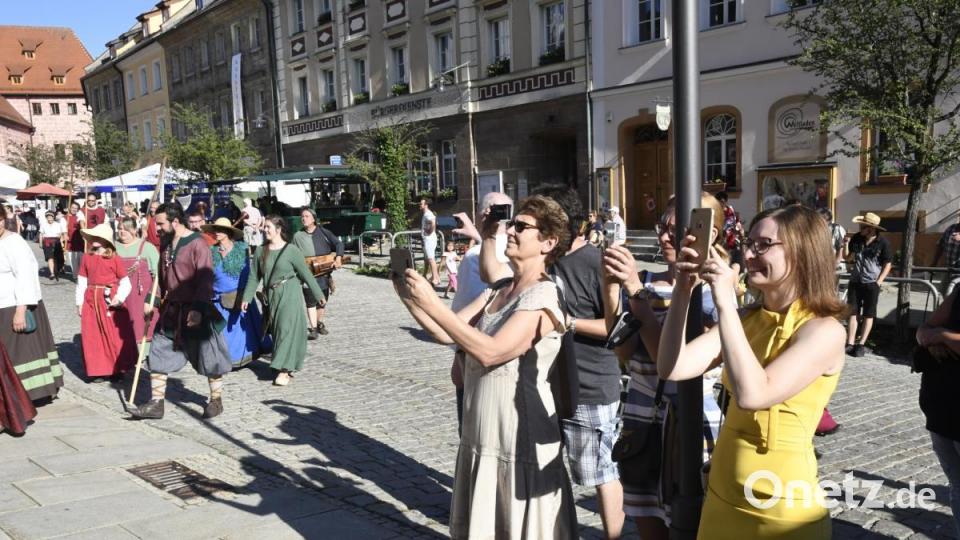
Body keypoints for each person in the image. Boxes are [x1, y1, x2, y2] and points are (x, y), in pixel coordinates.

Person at [658, 204, 846, 538]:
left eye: (763, 245)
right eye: (748, 244)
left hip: (781, 510)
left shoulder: (824, 330)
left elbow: (753, 394)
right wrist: (683, 290)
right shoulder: (747, 320)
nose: (747, 254)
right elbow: (673, 367)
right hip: (723, 495)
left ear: (802, 251)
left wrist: (726, 303)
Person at [394, 195, 577, 538]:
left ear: (548, 243)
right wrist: (409, 296)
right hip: (483, 435)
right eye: (513, 224)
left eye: (521, 227)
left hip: (517, 440)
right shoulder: (500, 289)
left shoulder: (544, 296)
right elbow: (445, 332)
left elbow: (492, 352)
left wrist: (433, 301)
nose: (511, 231)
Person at [481, 186, 625, 538]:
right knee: (547, 472)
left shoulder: (594, 262)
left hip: (590, 385)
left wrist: (565, 320)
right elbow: (492, 275)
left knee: (598, 474)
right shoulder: (546, 259)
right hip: (545, 385)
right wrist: (488, 236)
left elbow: (615, 325)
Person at [602, 194, 726, 539]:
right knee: (648, 525)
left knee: (690, 525)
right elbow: (625, 353)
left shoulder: (715, 294)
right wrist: (610, 286)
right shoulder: (646, 279)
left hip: (688, 420)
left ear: (707, 233)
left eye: (677, 230)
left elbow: (670, 363)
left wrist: (634, 292)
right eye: (663, 228)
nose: (665, 237)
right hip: (642, 415)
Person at [128, 203, 232, 420]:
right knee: (157, 351)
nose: (157, 228)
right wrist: (151, 300)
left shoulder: (197, 244)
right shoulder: (166, 244)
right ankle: (156, 404)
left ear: (175, 222)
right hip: (172, 311)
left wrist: (197, 310)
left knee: (209, 356)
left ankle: (216, 399)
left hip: (196, 309)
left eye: (161, 223)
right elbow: (161, 277)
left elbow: (205, 279)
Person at [448, 192, 514, 432]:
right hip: (514, 357)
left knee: (472, 435)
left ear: (482, 214)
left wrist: (458, 356)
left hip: (476, 358)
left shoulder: (474, 258)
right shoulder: (524, 252)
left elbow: (460, 321)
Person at [242, 216, 324, 386]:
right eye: (264, 227)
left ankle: (283, 371)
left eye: (268, 227)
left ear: (278, 229)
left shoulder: (291, 251)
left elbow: (306, 274)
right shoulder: (260, 251)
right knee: (278, 331)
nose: (265, 230)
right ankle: (285, 363)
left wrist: (318, 294)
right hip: (271, 295)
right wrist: (246, 298)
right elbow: (253, 277)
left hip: (290, 292)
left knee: (286, 329)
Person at [0, 205, 63, 402]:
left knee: (20, 353)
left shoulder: (13, 242)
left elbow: (26, 276)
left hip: (15, 304)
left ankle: (24, 394)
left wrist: (21, 310)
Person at [916, 288, 960, 537]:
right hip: (943, 410)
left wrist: (941, 336)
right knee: (957, 488)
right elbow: (923, 331)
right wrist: (935, 336)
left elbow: (932, 331)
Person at [75, 223, 135, 380]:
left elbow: (126, 282)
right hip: (91, 301)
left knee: (112, 335)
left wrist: (119, 298)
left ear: (105, 240)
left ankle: (117, 369)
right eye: (93, 236)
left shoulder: (114, 259)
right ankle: (98, 369)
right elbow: (82, 281)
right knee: (93, 336)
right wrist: (79, 303)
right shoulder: (87, 257)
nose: (93, 239)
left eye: (97, 237)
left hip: (109, 301)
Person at [203, 218, 266, 367]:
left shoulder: (242, 248)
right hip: (219, 299)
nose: (216, 233)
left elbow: (248, 272)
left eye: (220, 229)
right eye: (215, 229)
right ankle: (226, 359)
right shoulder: (211, 251)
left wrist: (245, 294)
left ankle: (242, 357)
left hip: (240, 296)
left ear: (228, 232)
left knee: (242, 331)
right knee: (224, 332)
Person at [843, 212, 893, 357]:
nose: (860, 228)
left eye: (863, 226)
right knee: (853, 312)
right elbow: (848, 257)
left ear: (871, 228)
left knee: (868, 314)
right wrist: (845, 245)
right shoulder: (857, 239)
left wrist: (879, 282)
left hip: (872, 283)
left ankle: (861, 344)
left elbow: (887, 263)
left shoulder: (883, 243)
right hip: (855, 281)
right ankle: (850, 342)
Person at [292, 208, 343, 339]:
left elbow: (338, 244)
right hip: (307, 273)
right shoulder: (297, 236)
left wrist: (338, 258)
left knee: (322, 301)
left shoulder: (324, 232)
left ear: (313, 219)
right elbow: (292, 253)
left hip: (324, 273)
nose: (304, 219)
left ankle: (319, 323)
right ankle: (313, 328)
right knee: (310, 301)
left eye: (307, 216)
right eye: (302, 216)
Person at [115, 217, 159, 360]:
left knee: (142, 324)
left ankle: (144, 354)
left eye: (126, 229)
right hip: (120, 295)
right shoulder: (113, 248)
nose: (122, 232)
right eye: (120, 229)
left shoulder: (147, 247)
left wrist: (153, 298)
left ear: (134, 230)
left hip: (141, 296)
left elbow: (158, 276)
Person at [932, 213, 960, 297]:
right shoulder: (951, 228)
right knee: (945, 293)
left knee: (955, 296)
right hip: (949, 269)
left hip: (959, 271)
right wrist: (934, 263)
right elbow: (941, 245)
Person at [39, 211, 65, 281]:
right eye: (48, 217)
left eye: (51, 217)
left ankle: (59, 269)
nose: (49, 218)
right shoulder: (43, 225)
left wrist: (62, 243)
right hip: (47, 242)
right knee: (50, 257)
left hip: (56, 242)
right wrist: (40, 243)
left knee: (58, 258)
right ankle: (52, 273)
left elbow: (61, 235)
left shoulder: (58, 224)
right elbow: (41, 234)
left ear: (53, 217)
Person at [419, 199, 440, 286]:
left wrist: (429, 231)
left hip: (429, 239)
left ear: (426, 205)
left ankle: (435, 278)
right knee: (428, 258)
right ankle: (427, 275)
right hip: (427, 238)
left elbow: (433, 222)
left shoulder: (428, 214)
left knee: (431, 259)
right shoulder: (426, 214)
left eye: (421, 204)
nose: (419, 205)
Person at [65, 202, 85, 278]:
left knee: (82, 260)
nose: (74, 209)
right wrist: (64, 234)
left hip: (80, 241)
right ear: (70, 208)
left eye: (76, 208)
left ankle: (82, 276)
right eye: (73, 207)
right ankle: (76, 276)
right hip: (71, 243)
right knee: (73, 262)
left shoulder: (80, 217)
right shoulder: (65, 218)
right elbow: (63, 230)